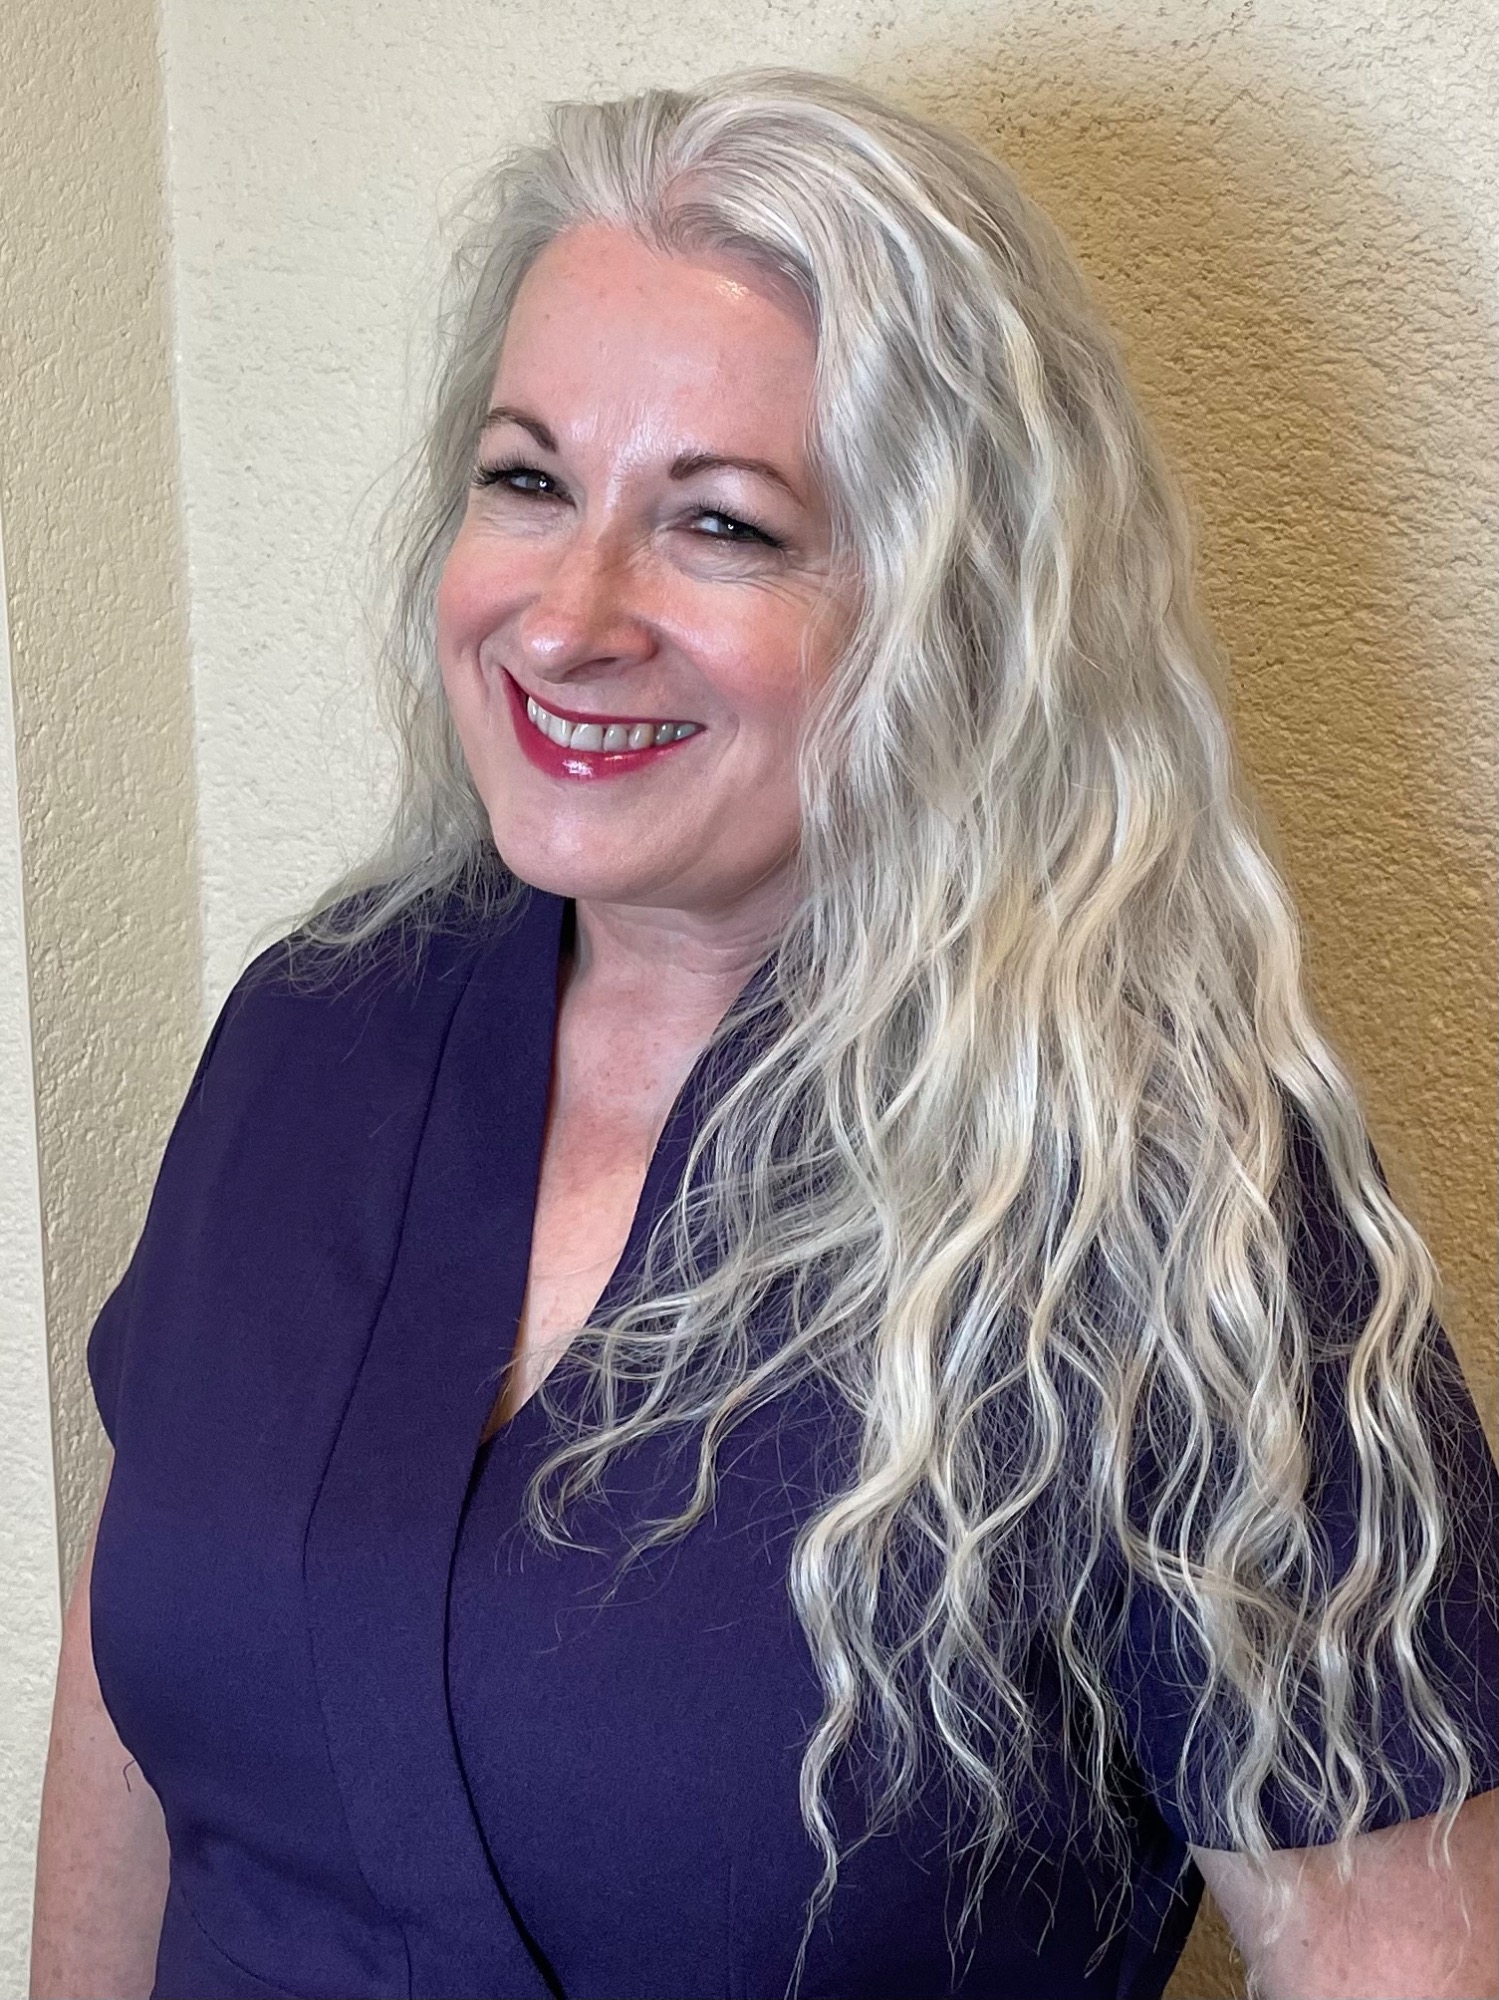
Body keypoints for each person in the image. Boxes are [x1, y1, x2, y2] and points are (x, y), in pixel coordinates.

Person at [30, 66, 1498, 2000]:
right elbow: (129, 1717)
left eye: (721, 524)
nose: (569, 618)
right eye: (528, 481)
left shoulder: (1162, 1193)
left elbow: (1398, 1952)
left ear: (953, 611)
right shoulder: (315, 1037)